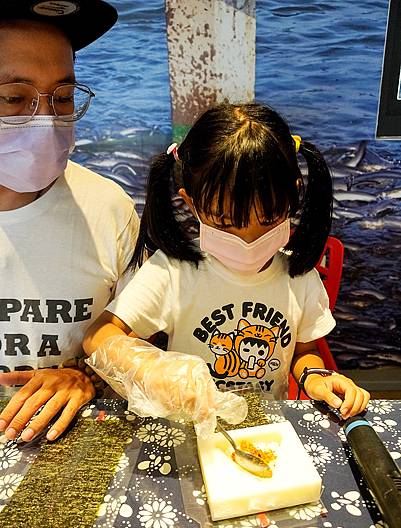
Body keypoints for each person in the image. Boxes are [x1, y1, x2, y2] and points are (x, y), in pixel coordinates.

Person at [83, 102, 369, 434]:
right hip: (190, 427)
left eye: (268, 220)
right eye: (227, 223)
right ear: (192, 204)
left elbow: (304, 349)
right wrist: (146, 367)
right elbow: (99, 334)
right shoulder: (174, 271)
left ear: (291, 198)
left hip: (264, 430)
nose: (248, 240)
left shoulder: (298, 276)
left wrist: (314, 377)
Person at [0, 0, 140, 443]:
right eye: (14, 99)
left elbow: (142, 348)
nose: (46, 121)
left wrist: (87, 380)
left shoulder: (108, 210)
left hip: (75, 445)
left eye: (62, 99)